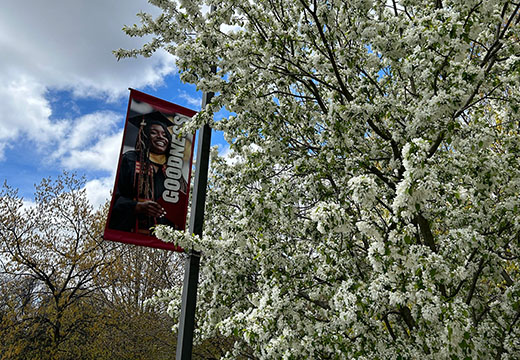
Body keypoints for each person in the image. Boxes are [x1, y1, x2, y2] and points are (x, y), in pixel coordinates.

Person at [109, 111, 182, 234]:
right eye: (154, 132)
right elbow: (117, 198)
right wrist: (136, 206)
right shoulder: (130, 159)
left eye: (164, 134)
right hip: (132, 232)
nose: (161, 137)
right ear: (144, 135)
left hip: (163, 240)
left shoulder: (172, 170)